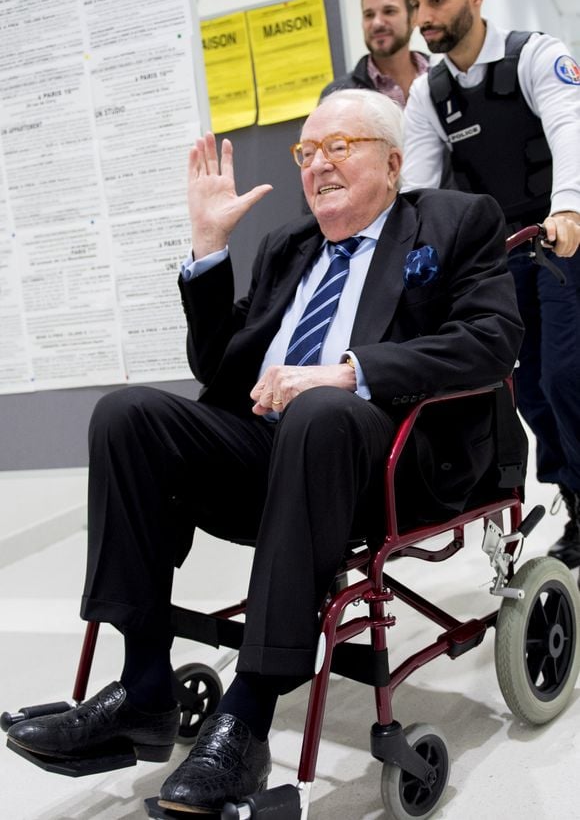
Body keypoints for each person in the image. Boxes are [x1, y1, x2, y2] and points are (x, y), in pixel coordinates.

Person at [6, 89, 526, 815]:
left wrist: (347, 371)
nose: (317, 164)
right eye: (306, 153)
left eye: (337, 146)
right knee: (126, 414)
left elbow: (492, 339)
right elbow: (220, 368)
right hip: (271, 449)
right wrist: (209, 248)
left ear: (393, 162)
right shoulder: (290, 246)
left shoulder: (456, 220)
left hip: (385, 459)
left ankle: (248, 714)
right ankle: (143, 687)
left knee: (319, 412)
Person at [398, 0, 580, 568]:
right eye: (417, 4)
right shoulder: (430, 91)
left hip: (561, 241)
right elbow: (418, 191)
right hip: (501, 258)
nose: (424, 17)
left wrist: (571, 210)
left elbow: (569, 126)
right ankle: (575, 497)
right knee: (528, 390)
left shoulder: (534, 54)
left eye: (438, 0)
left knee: (565, 376)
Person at [320, 0, 429, 106]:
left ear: (413, 18)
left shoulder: (444, 76)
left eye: (389, 11)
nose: (377, 23)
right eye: (369, 15)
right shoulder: (339, 96)